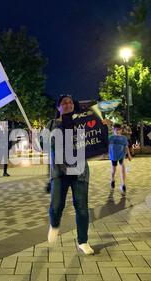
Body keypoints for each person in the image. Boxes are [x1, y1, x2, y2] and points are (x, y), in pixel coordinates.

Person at [46, 94, 96, 255]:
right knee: (56, 207)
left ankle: (83, 241)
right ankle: (54, 225)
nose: (68, 105)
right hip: (59, 172)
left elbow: (96, 138)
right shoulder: (52, 124)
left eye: (70, 102)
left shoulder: (82, 123)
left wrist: (103, 126)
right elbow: (42, 145)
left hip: (79, 171)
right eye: (64, 103)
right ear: (58, 107)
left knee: (81, 208)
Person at [109, 123, 132, 194]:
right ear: (113, 130)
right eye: (116, 130)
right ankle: (112, 180)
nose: (118, 131)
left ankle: (123, 184)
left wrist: (129, 155)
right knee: (113, 170)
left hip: (121, 155)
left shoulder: (124, 138)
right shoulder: (111, 137)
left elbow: (126, 147)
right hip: (113, 156)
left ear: (121, 130)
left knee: (123, 169)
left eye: (119, 130)